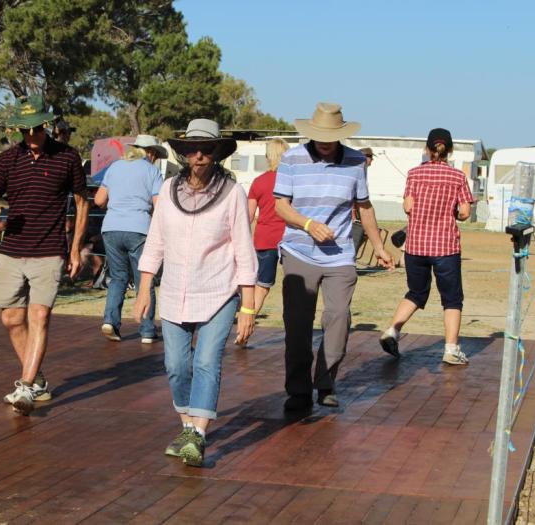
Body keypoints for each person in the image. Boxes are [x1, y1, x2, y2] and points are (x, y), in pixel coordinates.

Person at [134, 119, 257, 467]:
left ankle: (198, 435)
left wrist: (248, 307)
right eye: (192, 149)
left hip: (220, 292)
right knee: (176, 366)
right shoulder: (168, 190)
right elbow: (155, 241)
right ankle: (188, 428)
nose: (199, 155)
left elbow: (243, 249)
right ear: (184, 153)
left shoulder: (233, 193)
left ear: (217, 153)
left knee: (205, 362)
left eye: (206, 149)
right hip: (174, 293)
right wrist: (144, 289)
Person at [274, 102, 394, 412]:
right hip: (299, 250)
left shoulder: (356, 161)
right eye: (320, 136)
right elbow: (281, 206)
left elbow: (364, 206)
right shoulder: (292, 158)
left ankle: (325, 383)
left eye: (331, 136)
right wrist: (308, 224)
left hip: (340, 255)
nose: (325, 142)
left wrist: (379, 247)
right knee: (298, 326)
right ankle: (298, 390)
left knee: (339, 318)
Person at [0, 95, 89, 416]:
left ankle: (25, 387)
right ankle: (37, 379)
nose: (31, 135)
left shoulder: (67, 157)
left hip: (50, 250)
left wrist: (75, 248)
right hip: (12, 250)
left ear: (46, 126)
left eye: (36, 128)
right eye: (24, 130)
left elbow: (82, 203)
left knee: (39, 315)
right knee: (11, 318)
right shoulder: (8, 159)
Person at [379, 128, 473, 365]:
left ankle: (392, 331)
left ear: (427, 148)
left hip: (416, 246)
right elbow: (465, 212)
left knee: (416, 293)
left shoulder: (414, 174)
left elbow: (408, 207)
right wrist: (451, 212)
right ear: (450, 150)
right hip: (445, 248)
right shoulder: (458, 177)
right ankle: (451, 349)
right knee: (452, 299)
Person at [94, 135, 166, 343]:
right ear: (150, 152)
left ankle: (110, 321)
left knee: (118, 277)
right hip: (139, 229)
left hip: (111, 228)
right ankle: (147, 330)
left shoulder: (114, 167)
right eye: (156, 155)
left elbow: (99, 200)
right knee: (144, 279)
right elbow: (159, 205)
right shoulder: (152, 171)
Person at [247, 138, 290, 323]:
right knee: (295, 285)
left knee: (262, 285)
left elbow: (248, 216)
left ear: (267, 156)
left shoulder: (258, 182)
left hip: (264, 240)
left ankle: (247, 321)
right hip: (290, 240)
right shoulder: (293, 181)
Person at [351, 147, 375, 258]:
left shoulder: (363, 170)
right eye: (371, 157)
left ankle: (352, 257)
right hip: (356, 210)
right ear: (365, 157)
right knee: (357, 234)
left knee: (364, 234)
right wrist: (353, 213)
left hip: (360, 208)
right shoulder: (357, 169)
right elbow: (353, 193)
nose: (372, 160)